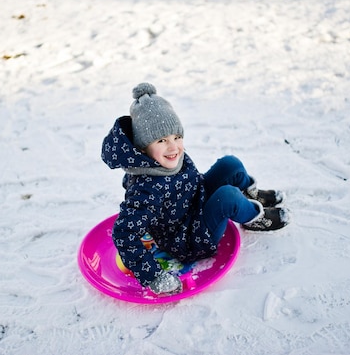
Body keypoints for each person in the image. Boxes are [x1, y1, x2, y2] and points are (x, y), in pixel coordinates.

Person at [101, 83, 289, 296]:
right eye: (162, 140)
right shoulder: (146, 190)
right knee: (228, 196)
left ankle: (250, 195)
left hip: (194, 202)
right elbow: (124, 233)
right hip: (188, 239)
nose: (173, 147)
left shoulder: (170, 157)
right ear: (143, 147)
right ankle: (254, 217)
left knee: (230, 165)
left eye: (176, 137)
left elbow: (188, 181)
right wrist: (153, 275)